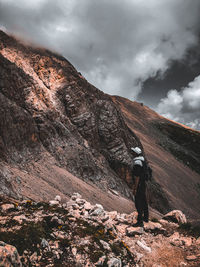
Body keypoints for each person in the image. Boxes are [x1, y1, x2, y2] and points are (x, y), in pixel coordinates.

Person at [131, 146, 149, 227]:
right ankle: (146, 217)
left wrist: (135, 188)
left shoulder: (137, 163)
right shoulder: (143, 161)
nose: (132, 153)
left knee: (138, 202)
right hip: (143, 184)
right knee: (144, 200)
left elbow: (137, 176)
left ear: (135, 154)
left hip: (139, 184)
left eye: (133, 152)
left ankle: (140, 221)